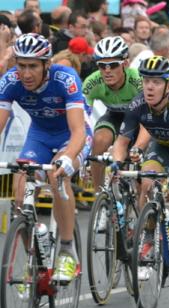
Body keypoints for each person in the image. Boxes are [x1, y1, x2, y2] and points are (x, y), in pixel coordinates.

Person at [0, 33, 92, 283]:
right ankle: (35, 259)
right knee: (21, 190)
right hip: (39, 136)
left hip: (71, 136)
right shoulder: (10, 81)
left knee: (57, 176)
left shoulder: (65, 79)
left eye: (33, 66)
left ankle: (66, 249)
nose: (26, 73)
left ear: (46, 65)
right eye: (21, 65)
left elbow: (77, 131)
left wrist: (67, 159)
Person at [112, 56, 169, 210]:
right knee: (147, 184)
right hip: (161, 147)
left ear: (168, 87)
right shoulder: (137, 104)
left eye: (156, 82)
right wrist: (116, 164)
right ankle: (147, 230)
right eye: (146, 81)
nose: (149, 87)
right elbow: (122, 142)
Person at [82, 36, 142, 193]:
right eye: (102, 66)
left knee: (141, 161)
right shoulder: (92, 82)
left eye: (113, 65)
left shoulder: (137, 79)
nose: (107, 71)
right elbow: (82, 119)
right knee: (99, 140)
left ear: (125, 64)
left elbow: (149, 115)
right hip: (114, 116)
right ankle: (99, 194)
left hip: (139, 120)